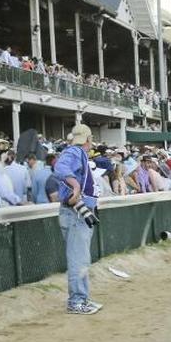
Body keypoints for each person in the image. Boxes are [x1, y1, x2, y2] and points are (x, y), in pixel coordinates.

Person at [53, 124, 101, 315]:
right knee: (78, 259)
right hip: (75, 212)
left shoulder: (76, 152)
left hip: (77, 212)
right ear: (88, 139)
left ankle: (82, 299)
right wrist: (75, 186)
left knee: (81, 258)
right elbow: (60, 167)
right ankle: (76, 301)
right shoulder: (74, 151)